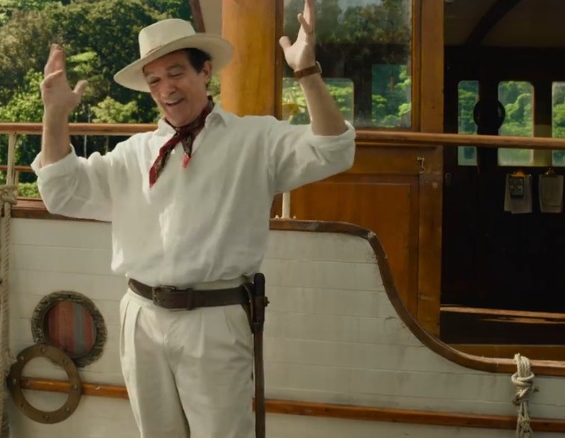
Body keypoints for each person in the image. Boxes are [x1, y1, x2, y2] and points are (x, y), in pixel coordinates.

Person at [32, 0, 355, 436]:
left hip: (215, 316)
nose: (166, 88)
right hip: (141, 316)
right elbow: (60, 190)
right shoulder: (134, 154)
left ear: (205, 72)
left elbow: (334, 151)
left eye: (177, 72)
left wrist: (307, 72)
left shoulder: (254, 139)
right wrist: (55, 114)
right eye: (154, 80)